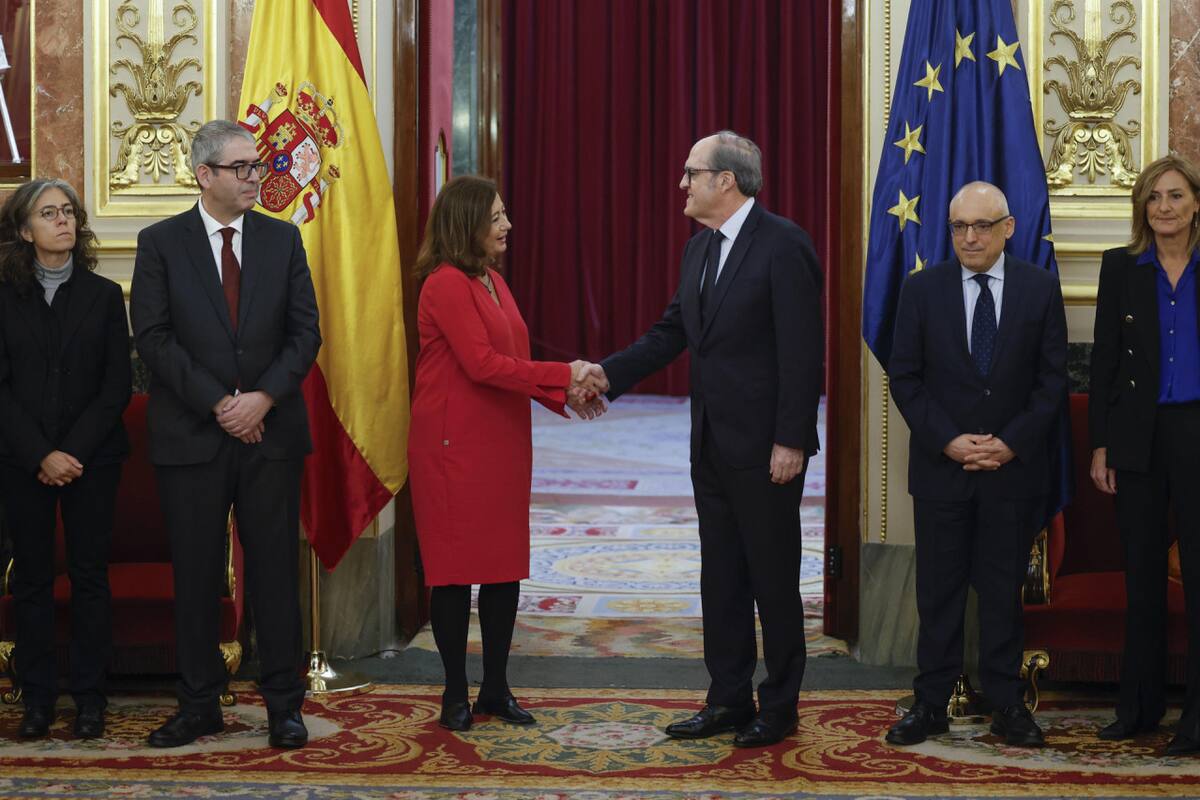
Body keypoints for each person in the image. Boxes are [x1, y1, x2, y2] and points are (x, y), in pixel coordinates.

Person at [580, 131, 824, 748]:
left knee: (772, 578)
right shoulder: (698, 252)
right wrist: (606, 374)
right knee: (721, 578)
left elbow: (802, 353)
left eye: (691, 172)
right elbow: (669, 334)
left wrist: (791, 440)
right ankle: (728, 699)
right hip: (710, 447)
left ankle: (780, 704)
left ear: (726, 181)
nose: (682, 183)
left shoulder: (784, 244)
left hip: (768, 450)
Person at [130, 120, 321, 749]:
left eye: (256, 166)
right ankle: (198, 703)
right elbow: (154, 338)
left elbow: (305, 335)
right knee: (195, 575)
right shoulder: (160, 243)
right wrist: (219, 402)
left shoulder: (283, 239)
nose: (254, 178)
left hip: (271, 435)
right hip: (191, 436)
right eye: (240, 168)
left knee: (272, 574)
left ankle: (283, 707)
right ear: (203, 174)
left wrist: (261, 397)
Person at [408, 175, 604, 732]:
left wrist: (567, 392)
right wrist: (565, 374)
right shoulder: (445, 284)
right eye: (496, 216)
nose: (507, 224)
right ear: (466, 222)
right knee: (451, 574)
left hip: (501, 443)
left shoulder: (491, 280)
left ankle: (495, 687)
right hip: (452, 449)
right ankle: (453, 694)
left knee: (501, 570)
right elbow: (481, 364)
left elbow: (511, 360)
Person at [885, 182, 1067, 748]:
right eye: (959, 226)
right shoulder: (921, 290)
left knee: (999, 592)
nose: (970, 237)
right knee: (937, 594)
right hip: (944, 471)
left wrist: (1009, 443)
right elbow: (906, 378)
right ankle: (930, 704)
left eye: (982, 226)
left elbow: (1052, 380)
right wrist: (949, 441)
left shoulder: (1039, 290)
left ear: (1008, 228)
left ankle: (1008, 704)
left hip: (1012, 474)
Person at [0, 179, 131, 739]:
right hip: (21, 459)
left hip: (91, 460)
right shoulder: (3, 295)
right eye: (49, 214)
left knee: (88, 577)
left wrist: (71, 452)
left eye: (69, 212)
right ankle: (35, 699)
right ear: (25, 231)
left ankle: (90, 699)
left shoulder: (103, 296)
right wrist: (40, 454)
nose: (63, 221)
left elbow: (116, 387)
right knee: (30, 579)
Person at [1089, 154, 1200, 754]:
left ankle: (1197, 719)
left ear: (1195, 204)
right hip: (1137, 437)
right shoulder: (1121, 269)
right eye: (1154, 197)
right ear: (1142, 208)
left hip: (1197, 430)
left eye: (1176, 196)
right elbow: (1104, 362)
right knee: (1143, 580)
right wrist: (1100, 445)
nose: (1164, 207)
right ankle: (1138, 707)